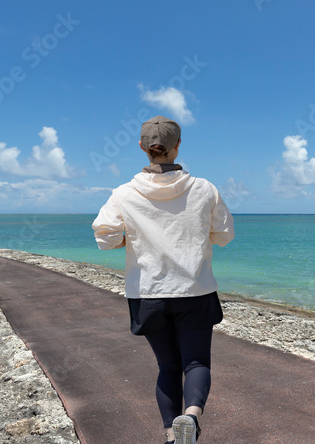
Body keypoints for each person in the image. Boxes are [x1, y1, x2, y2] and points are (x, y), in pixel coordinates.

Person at [92, 115, 235, 444]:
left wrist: (134, 238)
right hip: (194, 290)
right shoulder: (204, 189)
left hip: (148, 294)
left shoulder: (124, 193)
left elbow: (106, 237)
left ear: (143, 147)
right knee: (196, 361)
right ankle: (192, 416)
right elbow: (224, 235)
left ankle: (173, 436)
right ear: (178, 146)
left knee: (168, 366)